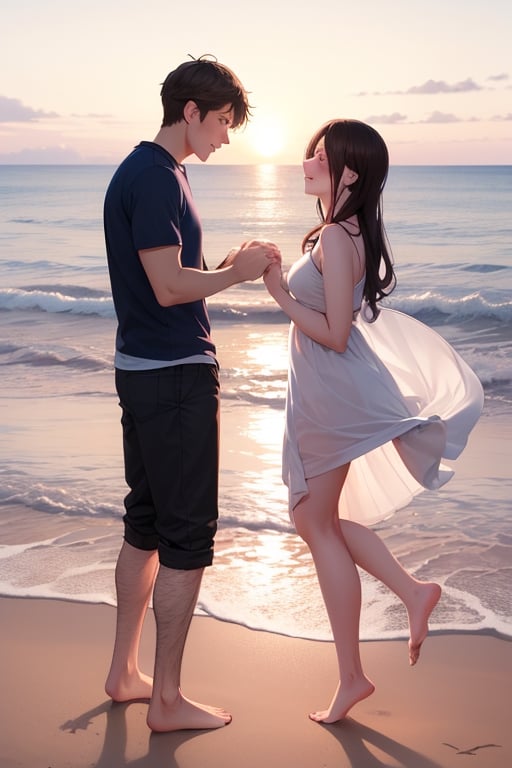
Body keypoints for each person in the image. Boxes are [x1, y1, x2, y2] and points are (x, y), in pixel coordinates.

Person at [263, 119, 483, 724]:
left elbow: (334, 335)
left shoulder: (336, 236)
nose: (306, 161)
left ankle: (354, 675)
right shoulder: (345, 231)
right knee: (320, 518)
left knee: (313, 519)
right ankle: (412, 594)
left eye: (318, 155)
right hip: (329, 390)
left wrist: (278, 291)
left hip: (329, 393)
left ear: (348, 173)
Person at [103, 56, 279, 732]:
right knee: (184, 537)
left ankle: (126, 673)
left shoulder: (155, 173)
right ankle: (168, 701)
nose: (227, 138)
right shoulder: (153, 177)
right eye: (224, 123)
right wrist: (236, 274)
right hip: (172, 379)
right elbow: (170, 289)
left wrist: (220, 268)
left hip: (145, 370)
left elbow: (171, 278)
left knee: (145, 524)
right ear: (192, 112)